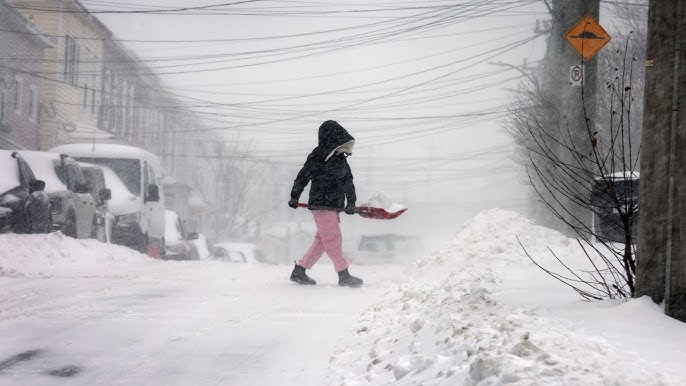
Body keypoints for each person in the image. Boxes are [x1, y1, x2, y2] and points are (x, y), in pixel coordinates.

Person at [288, 120, 363, 287]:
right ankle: (343, 274)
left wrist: (351, 203)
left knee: (322, 242)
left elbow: (348, 183)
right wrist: (295, 196)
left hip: (333, 206)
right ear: (332, 140)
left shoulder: (341, 160)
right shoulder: (318, 156)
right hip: (321, 205)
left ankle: (299, 271)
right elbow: (303, 176)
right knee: (333, 239)